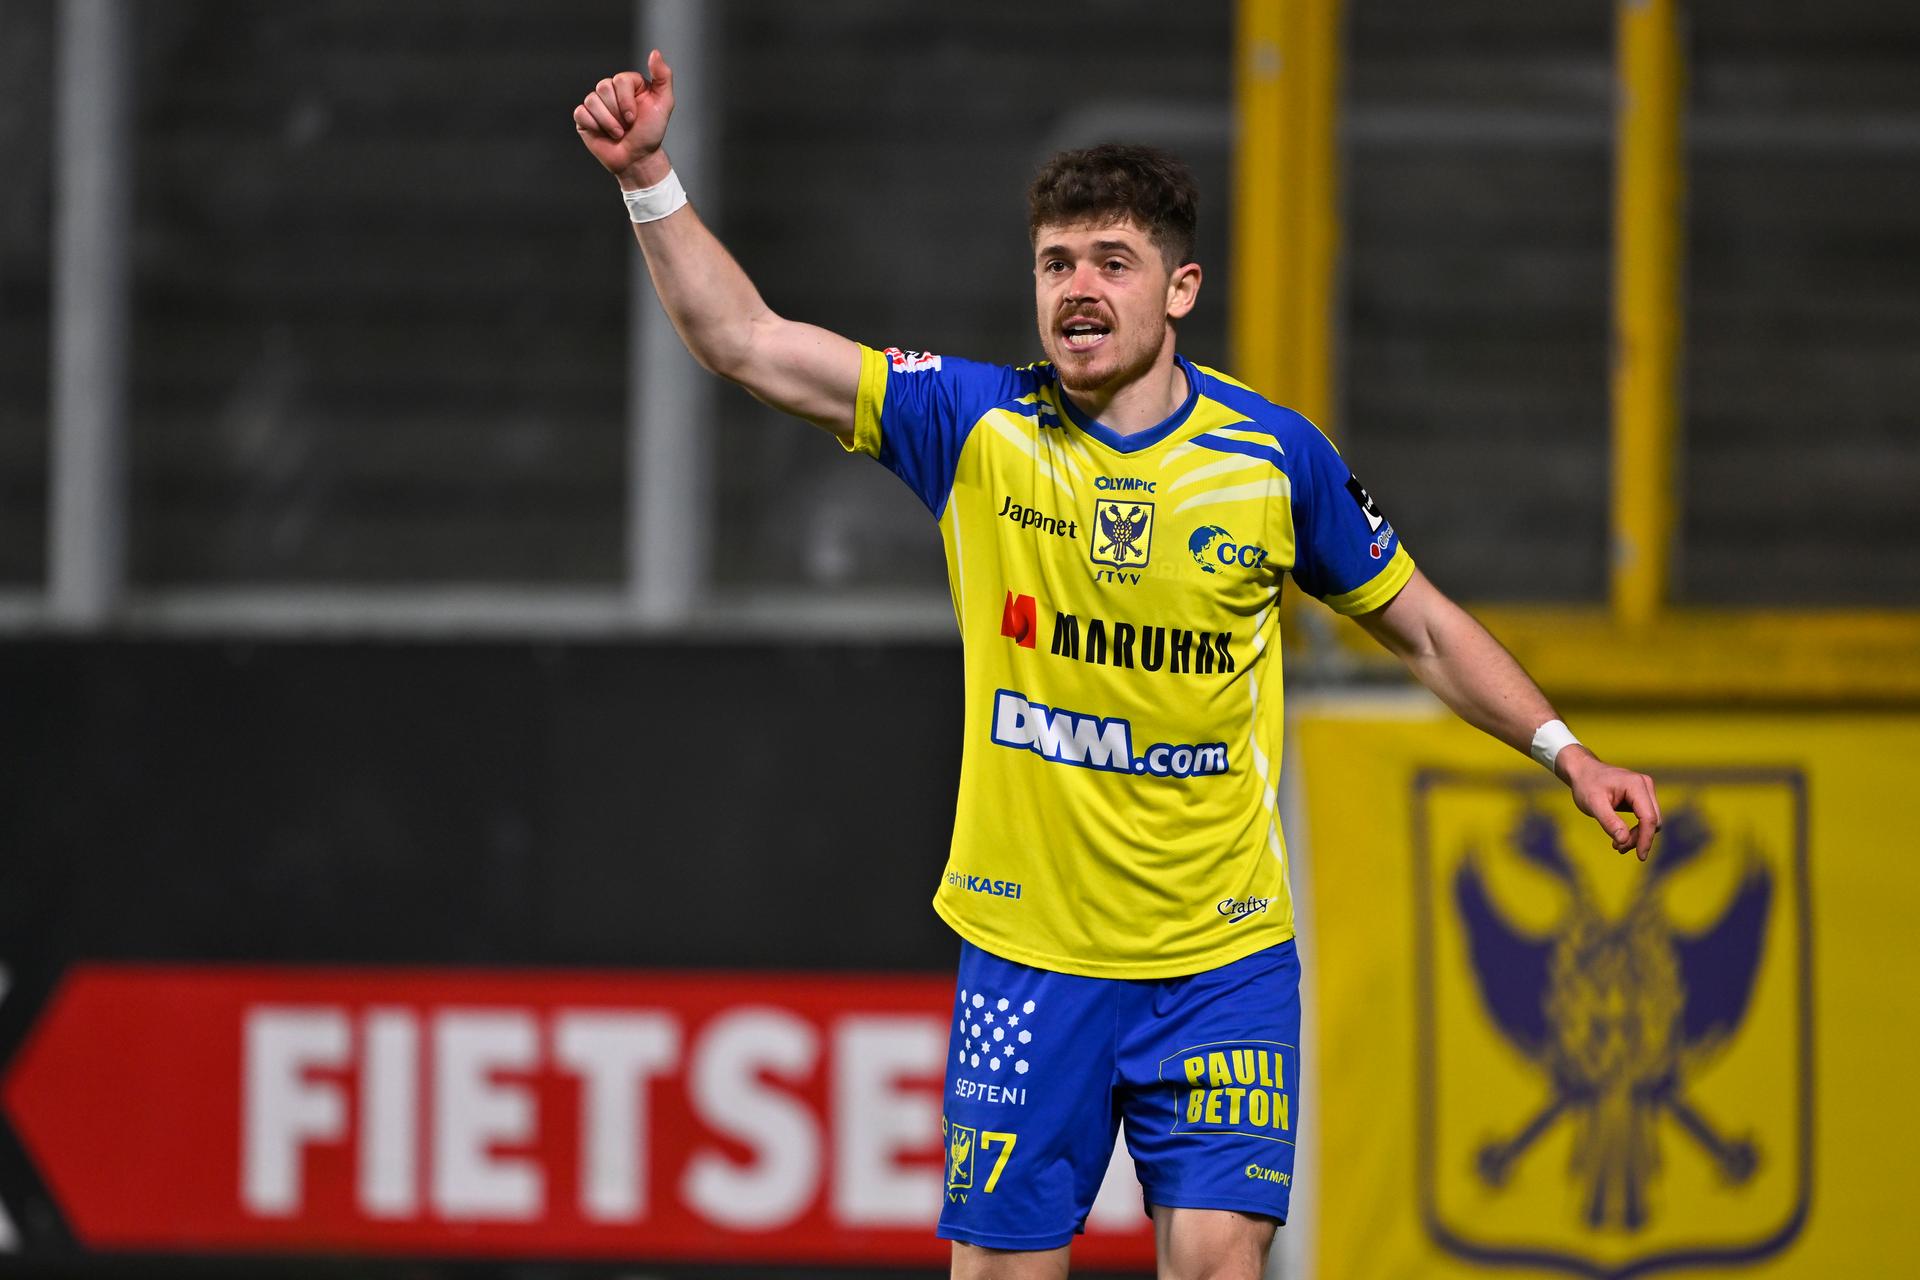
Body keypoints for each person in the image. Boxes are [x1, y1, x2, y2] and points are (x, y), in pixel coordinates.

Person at [574, 52, 1662, 1280]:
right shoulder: (974, 425)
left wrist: (1565, 752)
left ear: (1180, 287)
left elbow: (1422, 627)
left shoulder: (1272, 460)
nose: (1078, 289)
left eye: (1111, 262)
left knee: (1219, 1258)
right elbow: (745, 340)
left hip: (1220, 957)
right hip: (1031, 955)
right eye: (1056, 264)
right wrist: (649, 176)